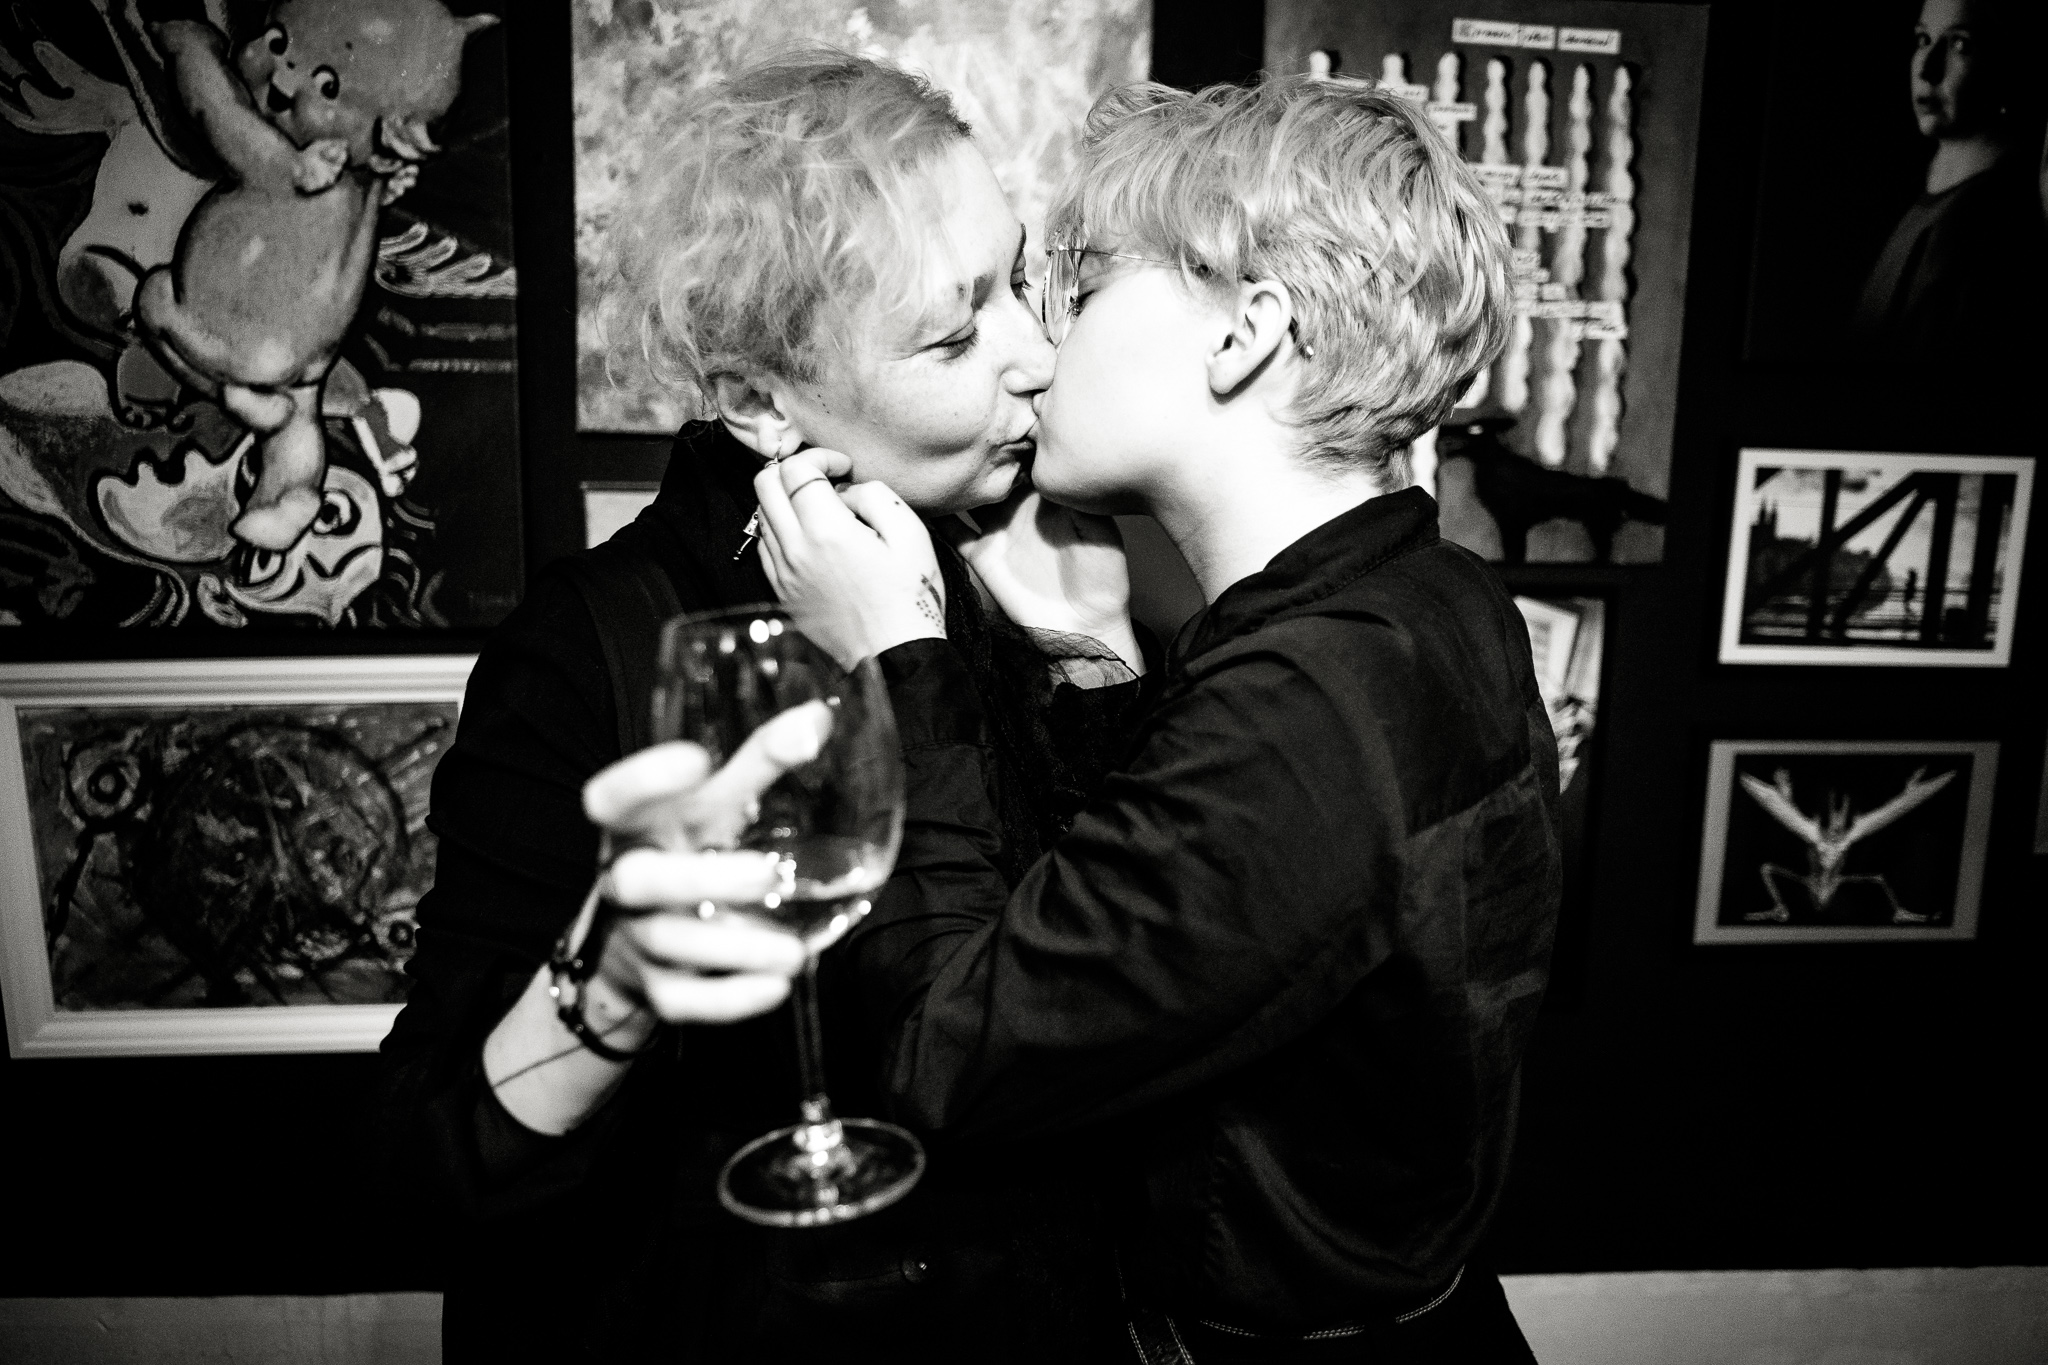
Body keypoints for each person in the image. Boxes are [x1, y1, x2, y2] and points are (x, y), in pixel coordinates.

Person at [760, 75, 1562, 1360]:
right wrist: (1096, 664)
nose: (1041, 346)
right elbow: (1204, 930)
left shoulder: (1304, 698)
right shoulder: (1430, 600)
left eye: (1079, 286)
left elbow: (941, 1054)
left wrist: (896, 663)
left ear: (1243, 333)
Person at [377, 50, 1145, 1362]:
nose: (1035, 355)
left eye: (1019, 284)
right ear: (756, 401)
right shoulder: (598, 642)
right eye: (953, 333)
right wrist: (610, 992)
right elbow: (421, 1164)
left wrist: (1101, 670)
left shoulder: (1040, 557)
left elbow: (1104, 1011)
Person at [1850, 0, 2048, 357]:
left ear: (2006, 61)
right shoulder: (1928, 190)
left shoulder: (1993, 220)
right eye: (1923, 39)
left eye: (1960, 45)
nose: (1926, 69)